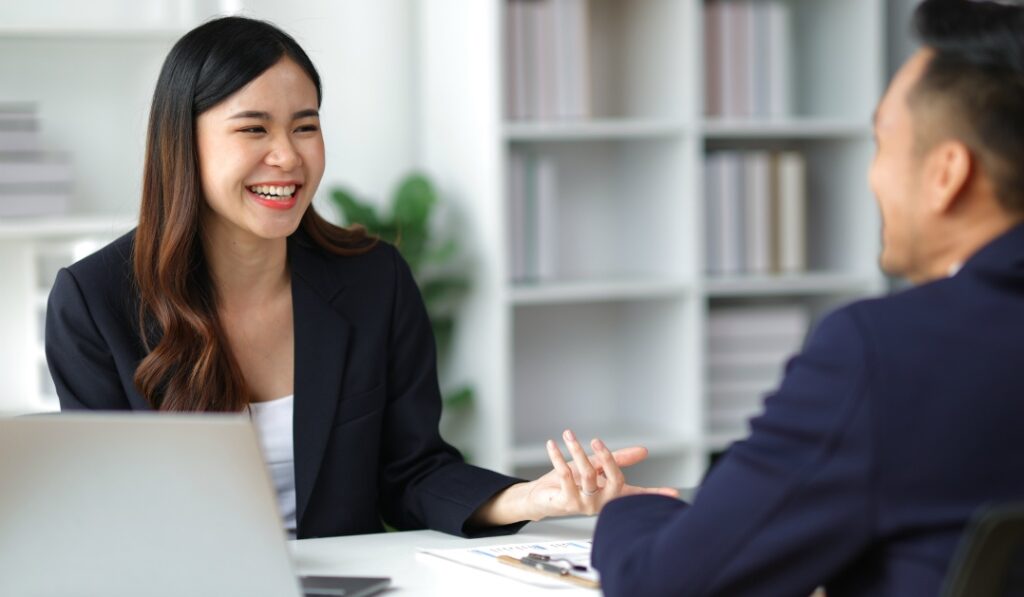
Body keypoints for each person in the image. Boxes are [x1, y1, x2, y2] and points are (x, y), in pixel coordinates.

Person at [44, 16, 677, 540]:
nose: (288, 156)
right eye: (253, 128)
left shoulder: (374, 280)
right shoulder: (94, 302)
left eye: (305, 125)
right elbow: (107, 520)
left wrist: (529, 499)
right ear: (183, 143)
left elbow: (410, 472)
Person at [590, 0, 1024, 594]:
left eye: (882, 141)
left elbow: (665, 584)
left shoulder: (886, 355)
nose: (871, 175)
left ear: (947, 173)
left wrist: (626, 510)